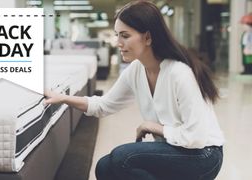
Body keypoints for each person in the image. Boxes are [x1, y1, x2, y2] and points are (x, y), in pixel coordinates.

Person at [44, 1, 224, 179]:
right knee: (104, 168)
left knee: (123, 157)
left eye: (125, 35)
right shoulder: (136, 70)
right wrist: (63, 98)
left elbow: (196, 138)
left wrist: (154, 127)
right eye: (117, 35)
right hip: (175, 149)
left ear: (147, 37)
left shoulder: (179, 73)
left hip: (204, 155)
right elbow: (103, 105)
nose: (118, 43)